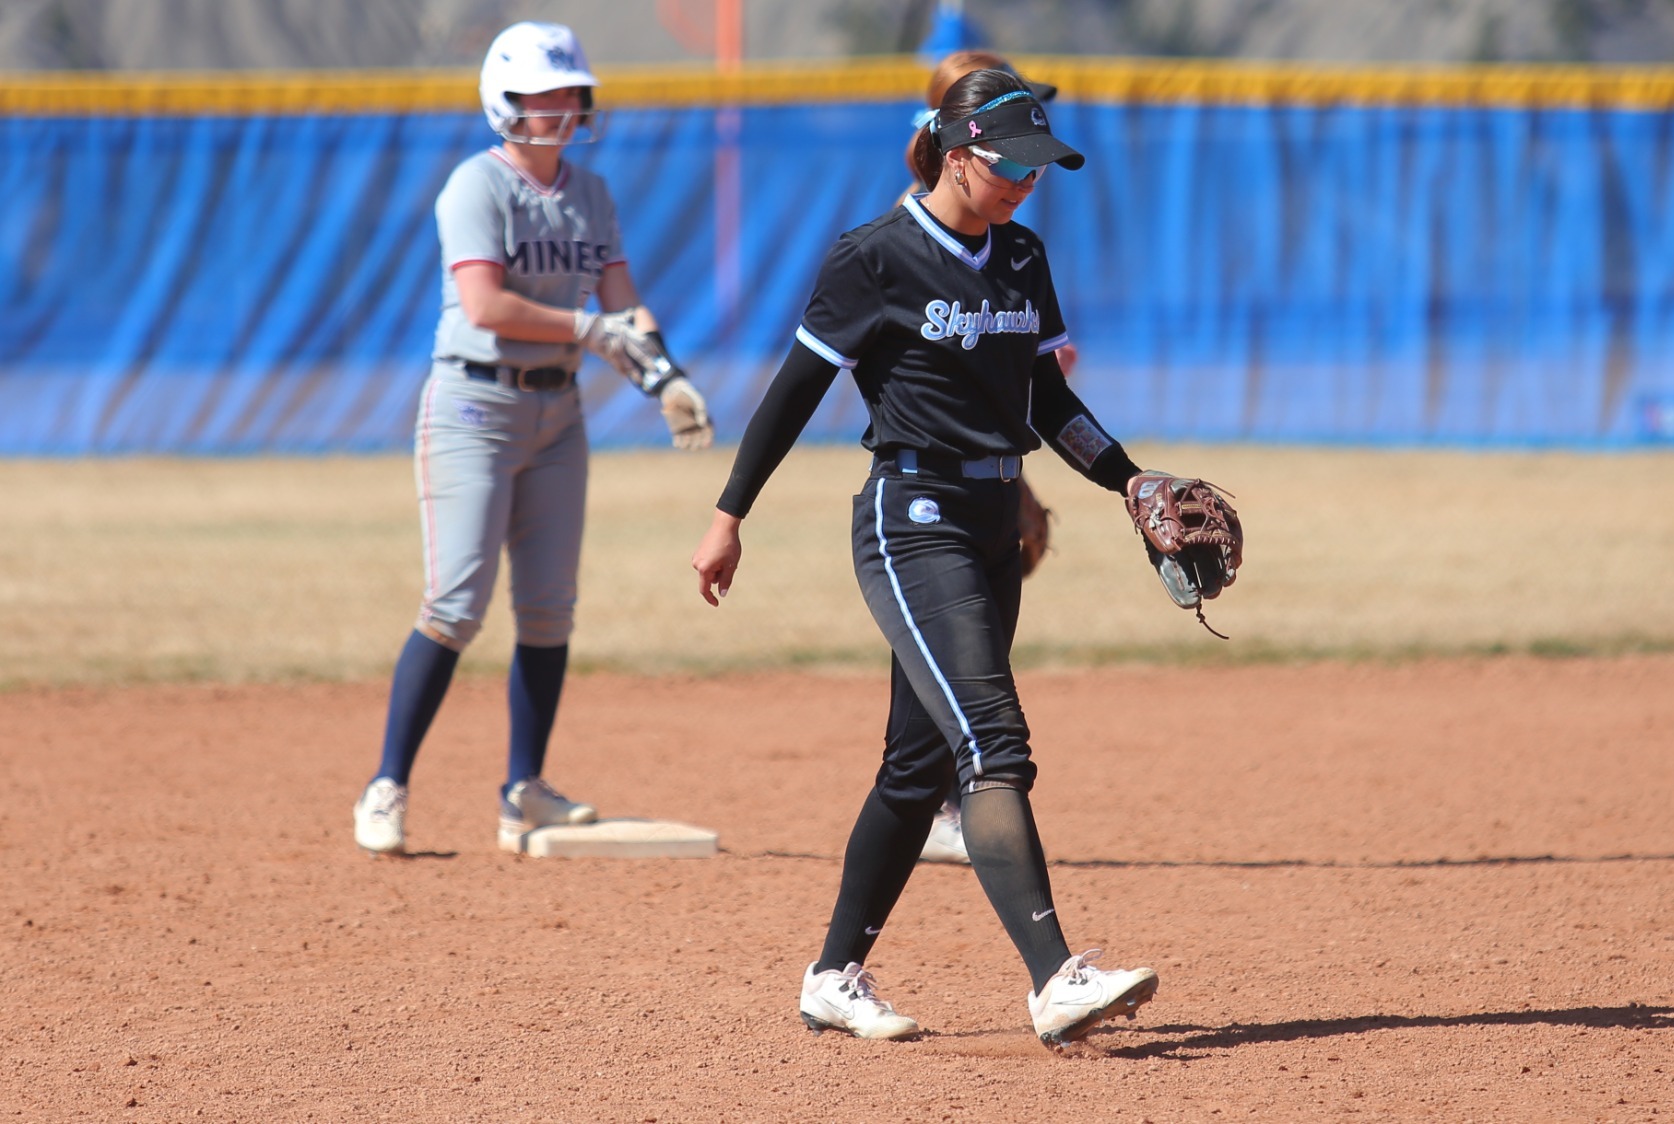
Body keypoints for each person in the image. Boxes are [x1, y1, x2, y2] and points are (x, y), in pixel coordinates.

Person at [690, 69, 1160, 1053]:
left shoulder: (1021, 256)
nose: (1025, 184)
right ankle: (1054, 978)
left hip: (993, 522)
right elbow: (791, 394)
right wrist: (729, 513)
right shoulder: (876, 258)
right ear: (956, 155)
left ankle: (831, 975)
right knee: (994, 740)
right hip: (912, 520)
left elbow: (1045, 403)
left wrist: (1125, 480)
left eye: (1040, 169)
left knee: (917, 765)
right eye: (1010, 166)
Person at [353, 21, 710, 855]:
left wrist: (667, 378)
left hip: (558, 415)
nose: (560, 108)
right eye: (541, 95)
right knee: (456, 603)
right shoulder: (476, 186)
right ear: (502, 102)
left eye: (568, 93)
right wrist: (588, 329)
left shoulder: (592, 193)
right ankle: (387, 786)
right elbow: (484, 305)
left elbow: (625, 304)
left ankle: (525, 790)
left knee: (549, 606)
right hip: (474, 408)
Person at [905, 49, 1069, 865]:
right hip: (924, 494)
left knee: (942, 671)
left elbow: (1034, 388)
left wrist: (1026, 476)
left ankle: (923, 797)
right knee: (964, 670)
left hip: (989, 480)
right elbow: (949, 392)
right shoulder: (911, 239)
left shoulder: (1015, 247)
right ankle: (946, 802)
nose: (1026, 166)